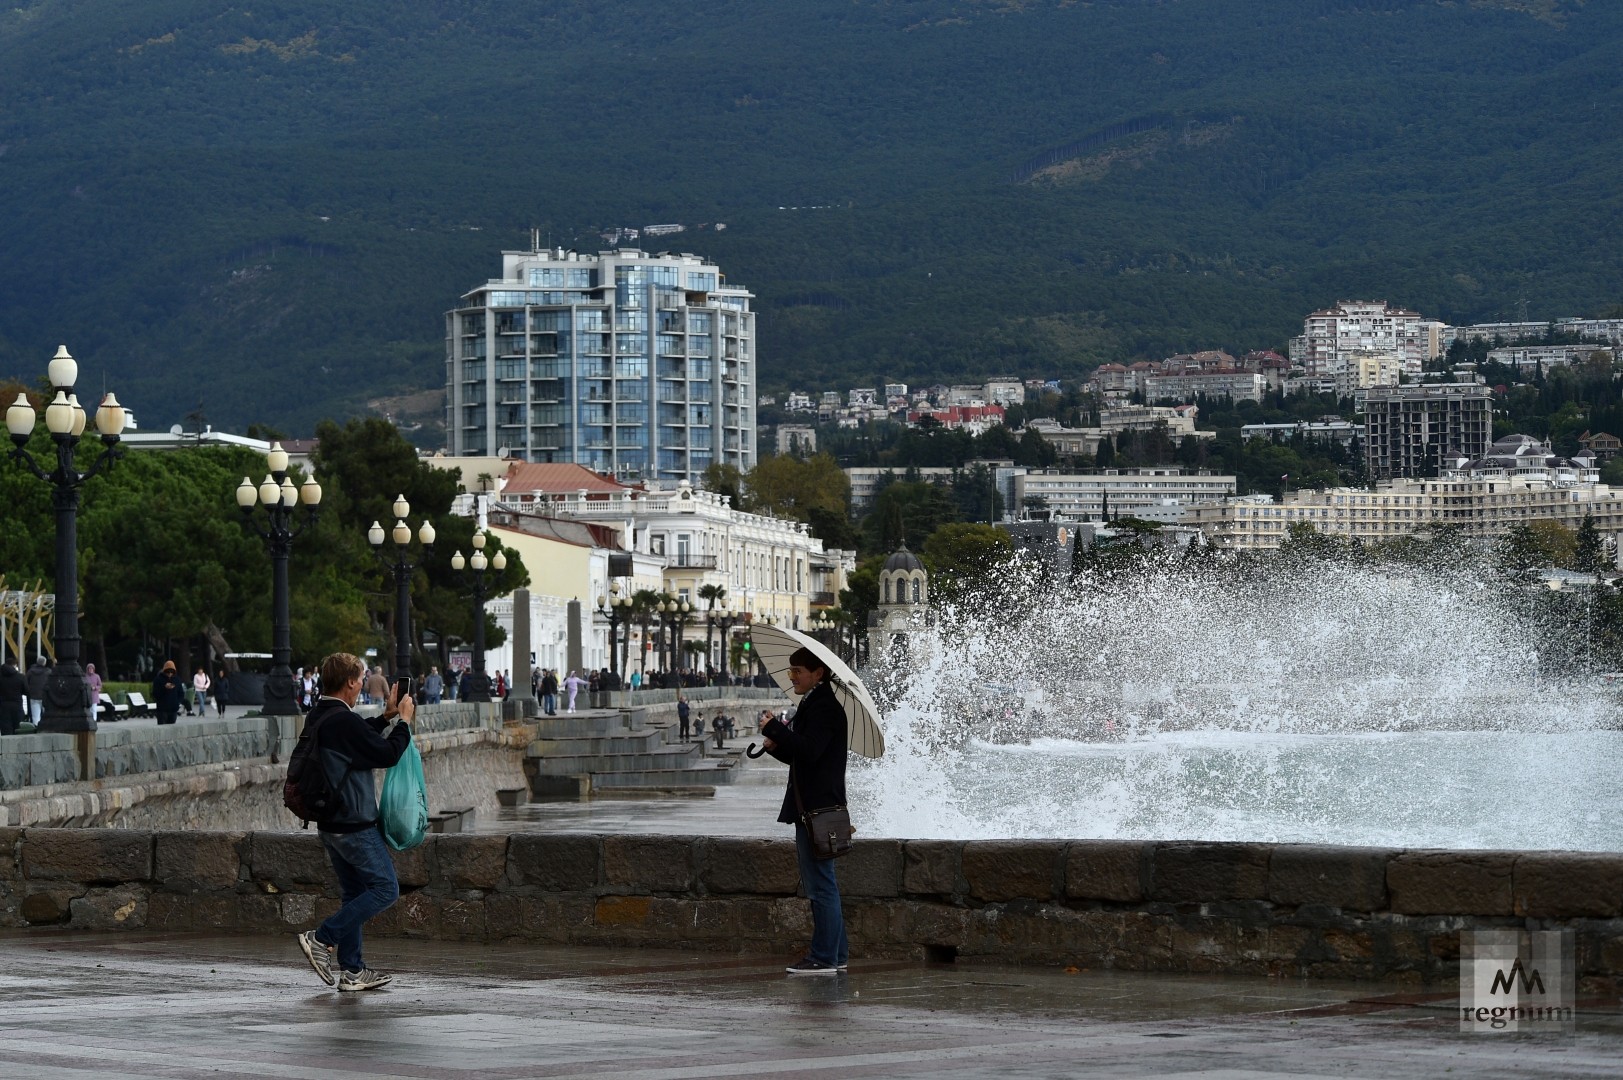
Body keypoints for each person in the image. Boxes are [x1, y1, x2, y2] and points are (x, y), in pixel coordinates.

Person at [294, 651, 414, 993]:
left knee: (354, 893)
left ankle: (353, 971)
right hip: (353, 823)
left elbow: (359, 740)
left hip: (329, 822)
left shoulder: (322, 714)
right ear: (350, 682)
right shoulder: (340, 720)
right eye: (361, 678)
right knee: (385, 889)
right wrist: (403, 722)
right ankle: (322, 938)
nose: (363, 684)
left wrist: (386, 717)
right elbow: (386, 754)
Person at [760, 647, 849, 976]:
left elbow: (810, 751)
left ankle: (824, 957)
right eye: (791, 671)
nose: (792, 676)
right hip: (817, 806)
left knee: (821, 885)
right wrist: (777, 746)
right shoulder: (815, 704)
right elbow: (806, 759)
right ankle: (836, 954)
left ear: (818, 673)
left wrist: (775, 730)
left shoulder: (824, 707)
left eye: (798, 670)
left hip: (819, 809)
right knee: (825, 883)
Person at [152, 661, 184, 725]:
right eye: (168, 672)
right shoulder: (158, 680)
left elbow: (181, 693)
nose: (169, 674)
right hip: (162, 709)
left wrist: (178, 702)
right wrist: (164, 688)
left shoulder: (177, 680)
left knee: (172, 728)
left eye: (171, 672)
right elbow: (155, 693)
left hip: (173, 709)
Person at [0, 658, 25, 736]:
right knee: (18, 729)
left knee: (5, 730)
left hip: (3, 706)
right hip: (17, 705)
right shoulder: (20, 677)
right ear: (14, 665)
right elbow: (27, 691)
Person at [25, 657, 49, 727]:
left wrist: (29, 692)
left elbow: (26, 683)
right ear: (44, 663)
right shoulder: (48, 672)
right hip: (45, 696)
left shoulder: (30, 671)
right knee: (46, 715)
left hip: (33, 696)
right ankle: (46, 728)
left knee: (35, 716)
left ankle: (36, 728)